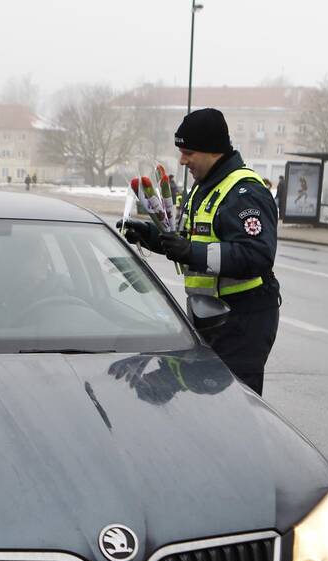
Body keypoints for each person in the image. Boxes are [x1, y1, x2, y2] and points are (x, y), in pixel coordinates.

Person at [122, 108, 280, 395]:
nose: (182, 160)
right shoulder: (204, 189)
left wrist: (192, 252)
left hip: (243, 321)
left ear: (212, 150)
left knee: (236, 410)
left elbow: (257, 255)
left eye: (188, 152)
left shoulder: (243, 192)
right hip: (211, 318)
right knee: (210, 405)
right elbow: (190, 241)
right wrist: (151, 236)